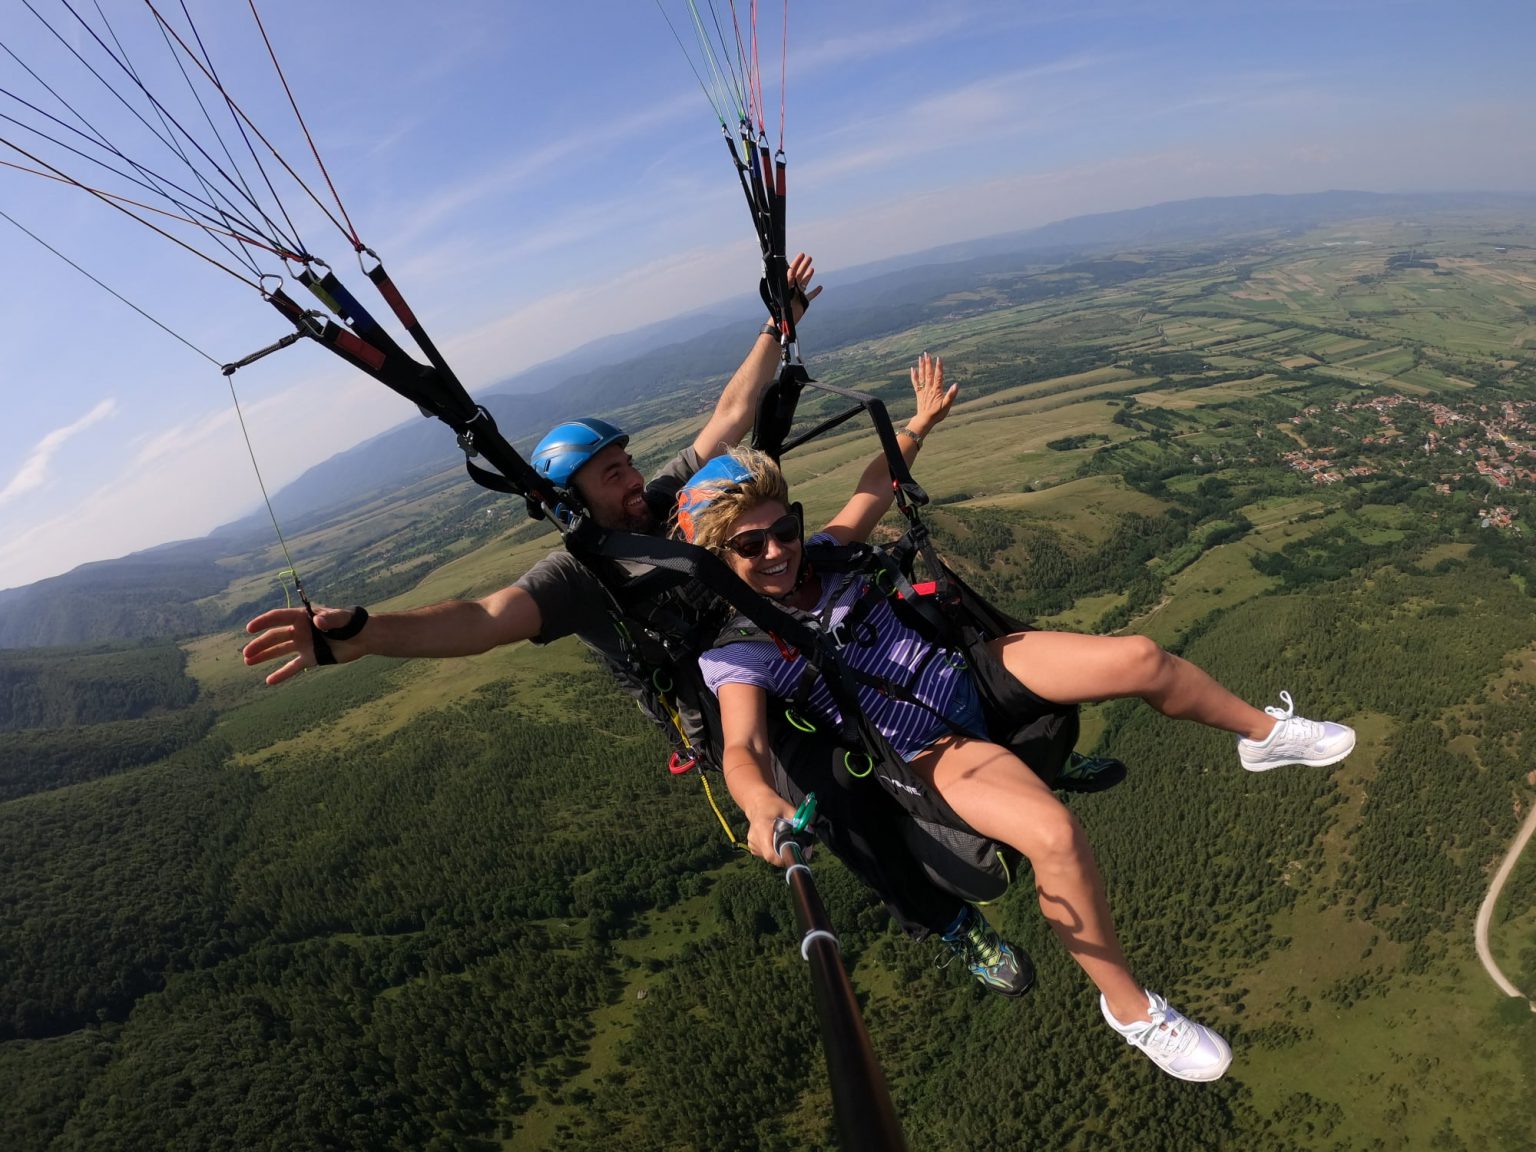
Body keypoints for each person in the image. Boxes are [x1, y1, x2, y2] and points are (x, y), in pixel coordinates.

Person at [241, 256, 1034, 997]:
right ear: (575, 497)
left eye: (626, 463)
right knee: (835, 795)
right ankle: (949, 923)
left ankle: (1028, 759)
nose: (632, 478)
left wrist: (778, 323)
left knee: (922, 657)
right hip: (728, 701)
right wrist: (364, 632)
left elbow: (731, 413)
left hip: (771, 644)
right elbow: (481, 620)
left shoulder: (662, 506)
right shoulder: (577, 578)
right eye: (612, 472)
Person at [677, 352, 1357, 1083]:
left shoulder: (825, 556)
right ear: (717, 559)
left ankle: (1262, 737)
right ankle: (1131, 1011)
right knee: (1056, 836)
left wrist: (917, 427)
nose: (778, 550)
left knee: (1139, 657)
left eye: (784, 528)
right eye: (751, 545)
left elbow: (875, 488)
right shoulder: (740, 651)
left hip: (972, 671)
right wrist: (757, 806)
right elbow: (742, 746)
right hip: (929, 746)